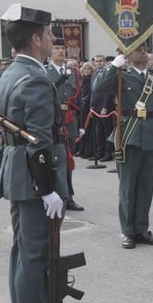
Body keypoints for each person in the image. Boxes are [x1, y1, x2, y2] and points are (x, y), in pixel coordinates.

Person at [0, 5, 68, 303]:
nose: (54, 38)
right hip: (34, 176)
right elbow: (40, 141)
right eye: (50, 33)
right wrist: (49, 188)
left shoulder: (11, 72)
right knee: (35, 254)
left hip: (18, 172)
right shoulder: (35, 77)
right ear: (36, 38)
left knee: (25, 252)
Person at [93, 44, 153, 249]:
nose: (143, 52)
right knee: (128, 188)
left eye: (145, 49)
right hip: (128, 137)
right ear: (128, 55)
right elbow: (98, 87)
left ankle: (142, 229)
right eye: (137, 49)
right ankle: (128, 231)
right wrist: (112, 66)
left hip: (151, 139)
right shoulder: (121, 76)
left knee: (146, 187)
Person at [46, 38, 85, 211]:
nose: (60, 51)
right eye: (56, 48)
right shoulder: (45, 72)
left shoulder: (73, 72)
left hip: (70, 121)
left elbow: (79, 99)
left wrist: (81, 124)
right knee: (53, 159)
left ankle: (68, 196)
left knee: (68, 160)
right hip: (53, 121)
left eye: (62, 48)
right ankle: (53, 192)